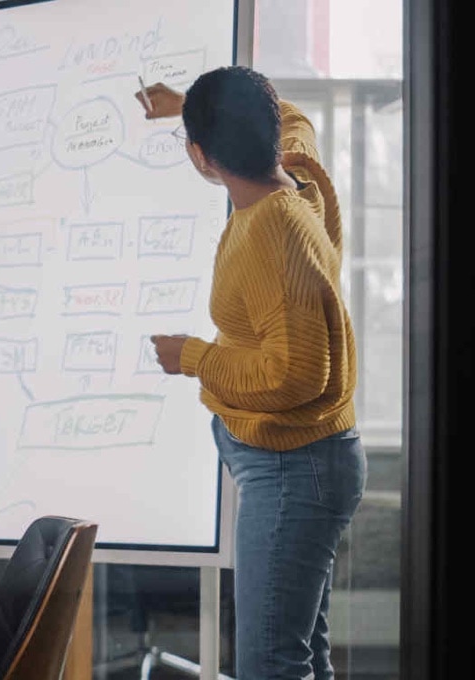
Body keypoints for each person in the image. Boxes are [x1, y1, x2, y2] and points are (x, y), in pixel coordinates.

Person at [139, 66, 366, 679]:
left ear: (200, 156)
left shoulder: (273, 232)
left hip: (293, 467)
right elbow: (295, 118)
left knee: (270, 662)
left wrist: (192, 357)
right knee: (298, 655)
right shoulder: (297, 173)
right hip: (301, 461)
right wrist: (188, 106)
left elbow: (295, 375)